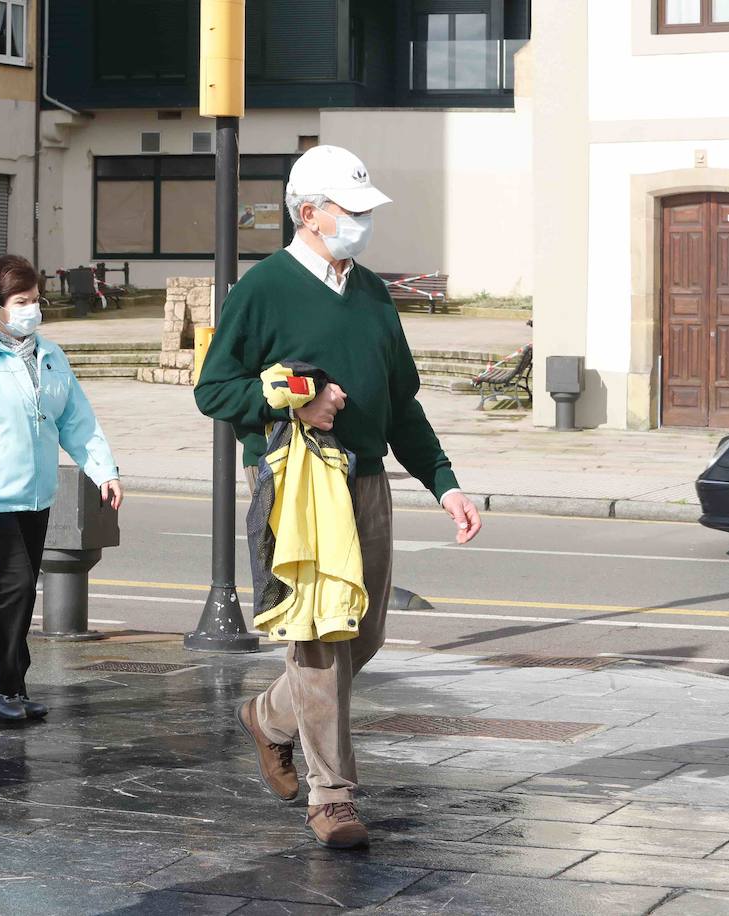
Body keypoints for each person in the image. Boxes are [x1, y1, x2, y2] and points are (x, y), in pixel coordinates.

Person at [195, 145, 483, 850]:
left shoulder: (373, 294)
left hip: (366, 480)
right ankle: (332, 797)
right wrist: (298, 399)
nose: (361, 222)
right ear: (308, 212)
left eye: (364, 211)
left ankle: (266, 718)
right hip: (298, 483)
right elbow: (215, 390)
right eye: (349, 210)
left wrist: (444, 483)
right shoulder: (262, 290)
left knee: (365, 633)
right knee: (320, 641)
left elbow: (403, 404)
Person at [0, 254, 123, 721]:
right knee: (15, 582)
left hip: (35, 496)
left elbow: (76, 419)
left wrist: (103, 470)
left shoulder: (50, 356)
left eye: (36, 300)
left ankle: (13, 684)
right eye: (21, 301)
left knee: (22, 585)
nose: (32, 309)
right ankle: (1, 686)